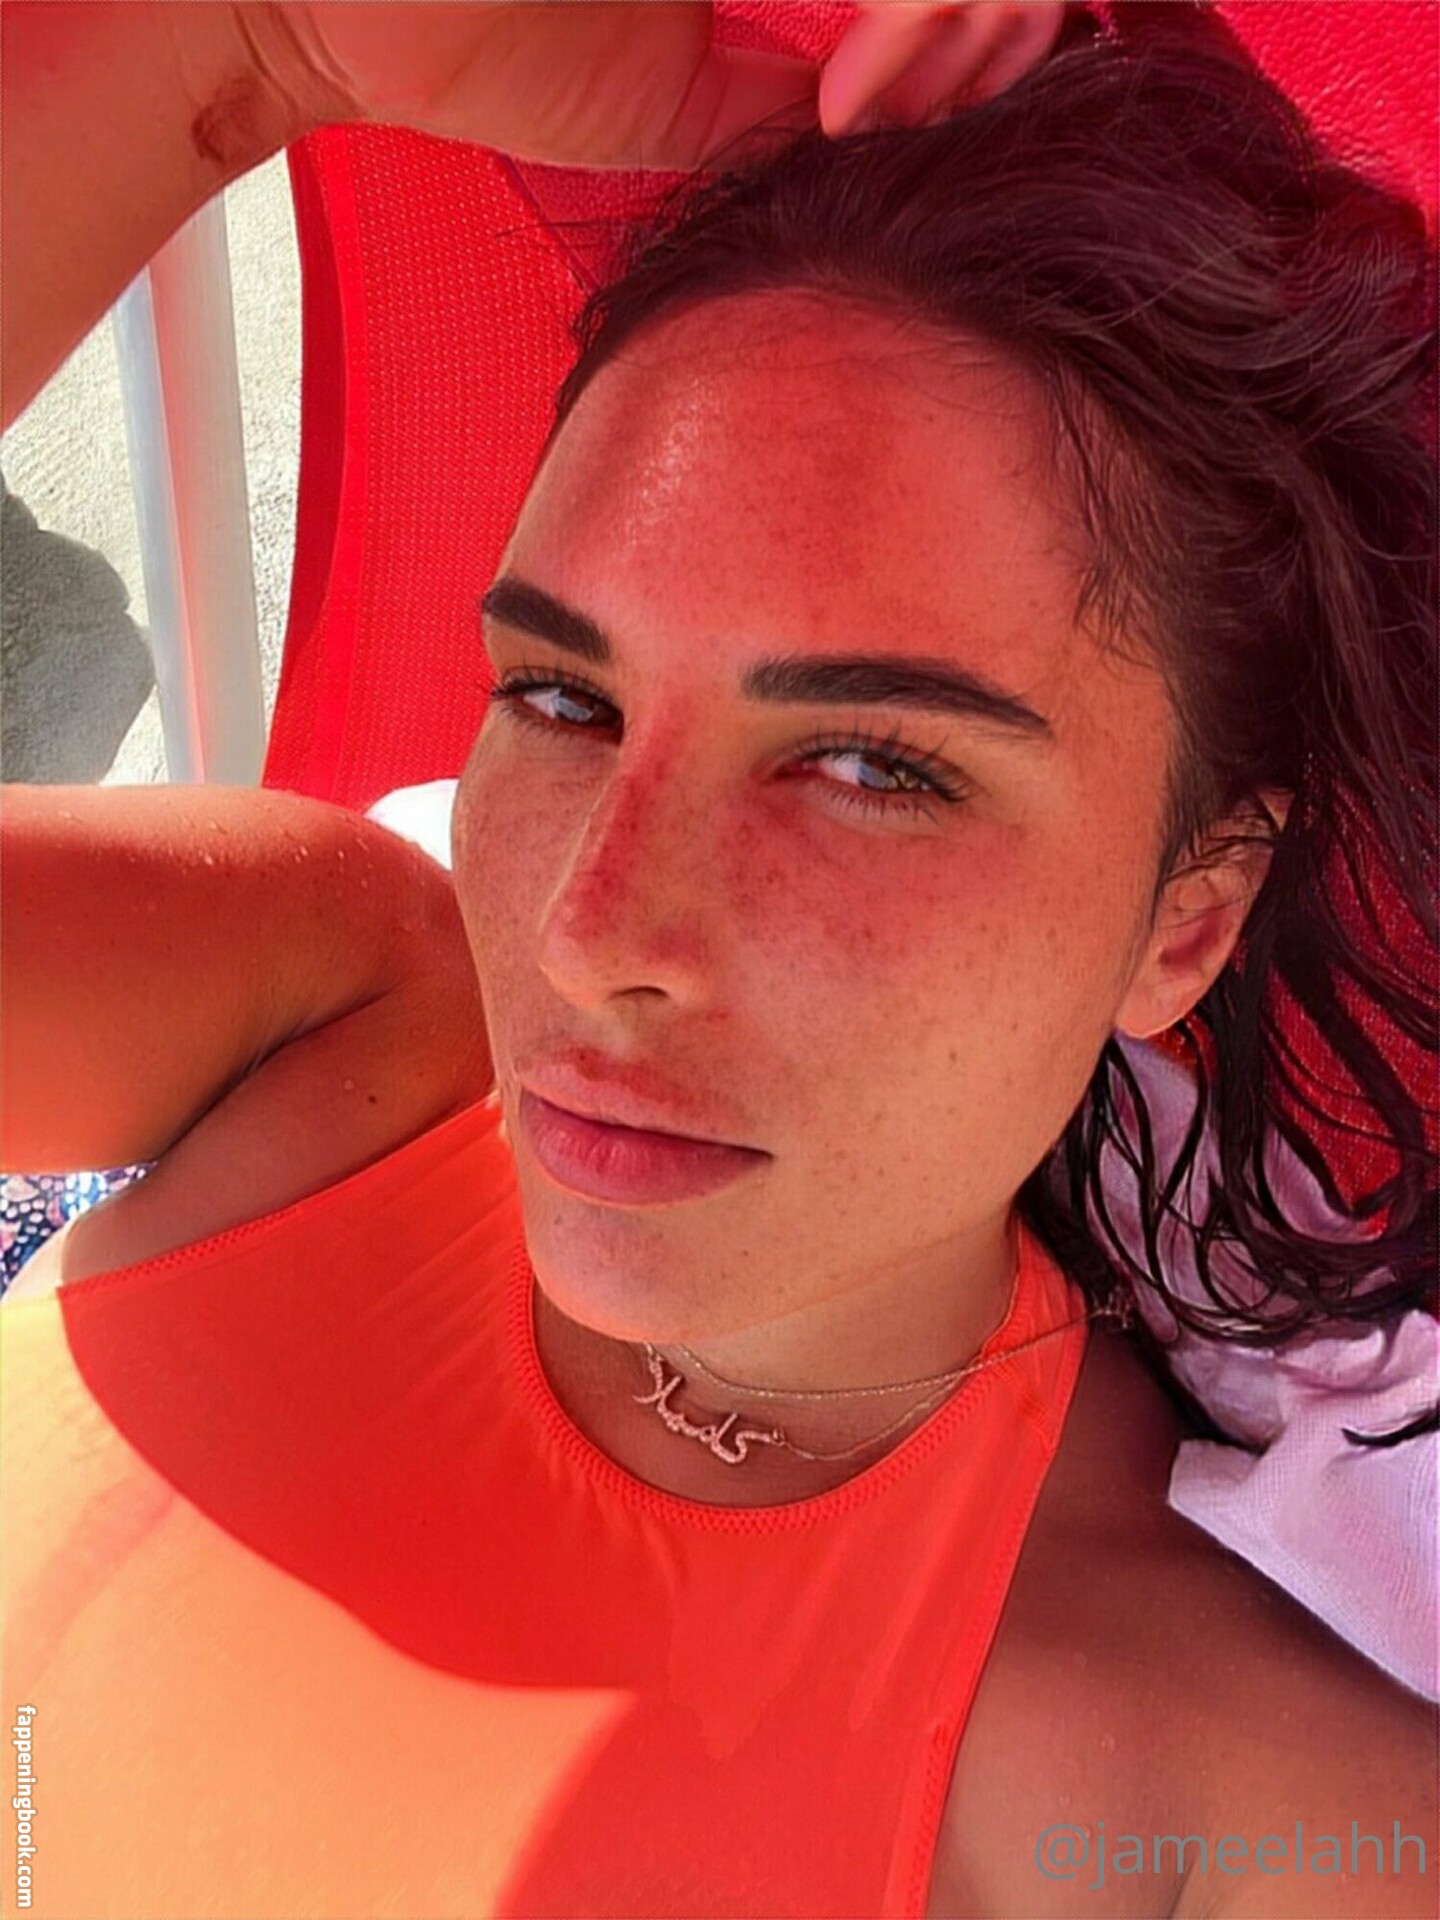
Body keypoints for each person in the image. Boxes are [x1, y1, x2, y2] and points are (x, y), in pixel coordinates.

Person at [1, 5, 1436, 1918]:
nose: (591, 936)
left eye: (872, 767)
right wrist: (241, 53)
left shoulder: (1229, 1817)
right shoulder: (334, 992)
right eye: (559, 696)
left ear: (1189, 912)